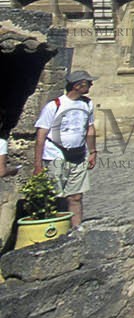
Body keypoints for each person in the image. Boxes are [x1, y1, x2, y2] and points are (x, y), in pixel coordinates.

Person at [33, 70, 97, 227]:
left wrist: (93, 152)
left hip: (78, 155)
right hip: (55, 154)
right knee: (56, 195)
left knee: (76, 196)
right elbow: (41, 135)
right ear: (77, 85)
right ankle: (55, 229)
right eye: (88, 83)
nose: (91, 85)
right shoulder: (54, 106)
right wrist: (38, 164)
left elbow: (89, 129)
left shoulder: (88, 103)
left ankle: (76, 229)